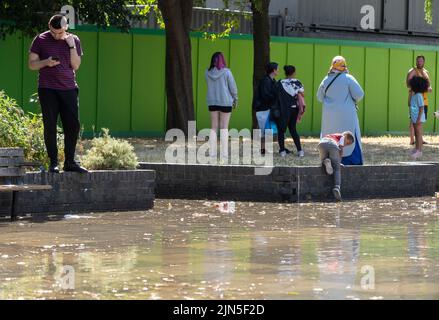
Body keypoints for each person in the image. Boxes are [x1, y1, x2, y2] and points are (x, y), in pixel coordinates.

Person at [28, 14, 87, 173]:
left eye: (59, 33)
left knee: (73, 125)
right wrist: (46, 62)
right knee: (50, 126)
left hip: (68, 89)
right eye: (53, 32)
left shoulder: (74, 40)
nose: (55, 35)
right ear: (49, 27)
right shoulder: (40, 39)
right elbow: (32, 64)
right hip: (48, 89)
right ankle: (53, 163)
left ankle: (69, 163)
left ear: (66, 27)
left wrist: (71, 46)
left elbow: (75, 66)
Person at [317, 56, 364, 165]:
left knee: (331, 138)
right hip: (347, 115)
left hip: (329, 117)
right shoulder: (348, 78)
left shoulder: (325, 80)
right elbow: (359, 94)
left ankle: (329, 160)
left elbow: (319, 97)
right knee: (349, 137)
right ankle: (351, 162)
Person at [205, 52, 238, 163]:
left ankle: (213, 154)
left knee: (214, 127)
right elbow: (233, 87)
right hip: (225, 102)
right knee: (224, 127)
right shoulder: (227, 72)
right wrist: (235, 99)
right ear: (222, 60)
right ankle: (224, 155)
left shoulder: (207, 72)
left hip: (212, 102)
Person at [272, 65, 305, 157]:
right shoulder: (297, 82)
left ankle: (282, 151)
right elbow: (302, 94)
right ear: (294, 72)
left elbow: (275, 95)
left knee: (281, 130)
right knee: (293, 130)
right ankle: (300, 151)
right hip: (294, 109)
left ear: (285, 72)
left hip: (283, 109)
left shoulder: (280, 82)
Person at [318, 131, 355, 201]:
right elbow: (340, 149)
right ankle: (337, 187)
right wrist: (338, 162)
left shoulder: (332, 135)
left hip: (321, 144)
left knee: (323, 161)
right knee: (337, 168)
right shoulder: (342, 136)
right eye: (347, 143)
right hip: (333, 145)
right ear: (346, 136)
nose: (346, 145)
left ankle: (326, 161)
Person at [252, 62, 279, 155]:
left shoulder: (271, 80)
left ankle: (264, 149)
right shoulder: (266, 81)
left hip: (265, 108)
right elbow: (266, 95)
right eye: (277, 69)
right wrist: (275, 97)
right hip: (263, 108)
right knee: (264, 129)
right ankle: (262, 149)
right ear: (274, 70)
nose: (278, 70)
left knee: (265, 129)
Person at [407, 55, 432, 145]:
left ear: (424, 62)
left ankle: (420, 139)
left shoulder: (426, 72)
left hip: (424, 99)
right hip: (415, 98)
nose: (419, 62)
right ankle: (412, 140)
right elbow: (408, 85)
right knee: (413, 119)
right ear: (416, 61)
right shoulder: (412, 71)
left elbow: (428, 85)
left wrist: (429, 88)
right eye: (418, 61)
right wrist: (420, 88)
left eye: (421, 61)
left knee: (421, 120)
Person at [409, 76, 429, 159]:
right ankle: (416, 149)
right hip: (414, 118)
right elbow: (410, 105)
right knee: (416, 134)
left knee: (418, 134)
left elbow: (421, 108)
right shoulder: (414, 95)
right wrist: (410, 94)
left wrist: (418, 119)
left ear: (415, 86)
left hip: (418, 118)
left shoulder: (419, 96)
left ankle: (419, 151)